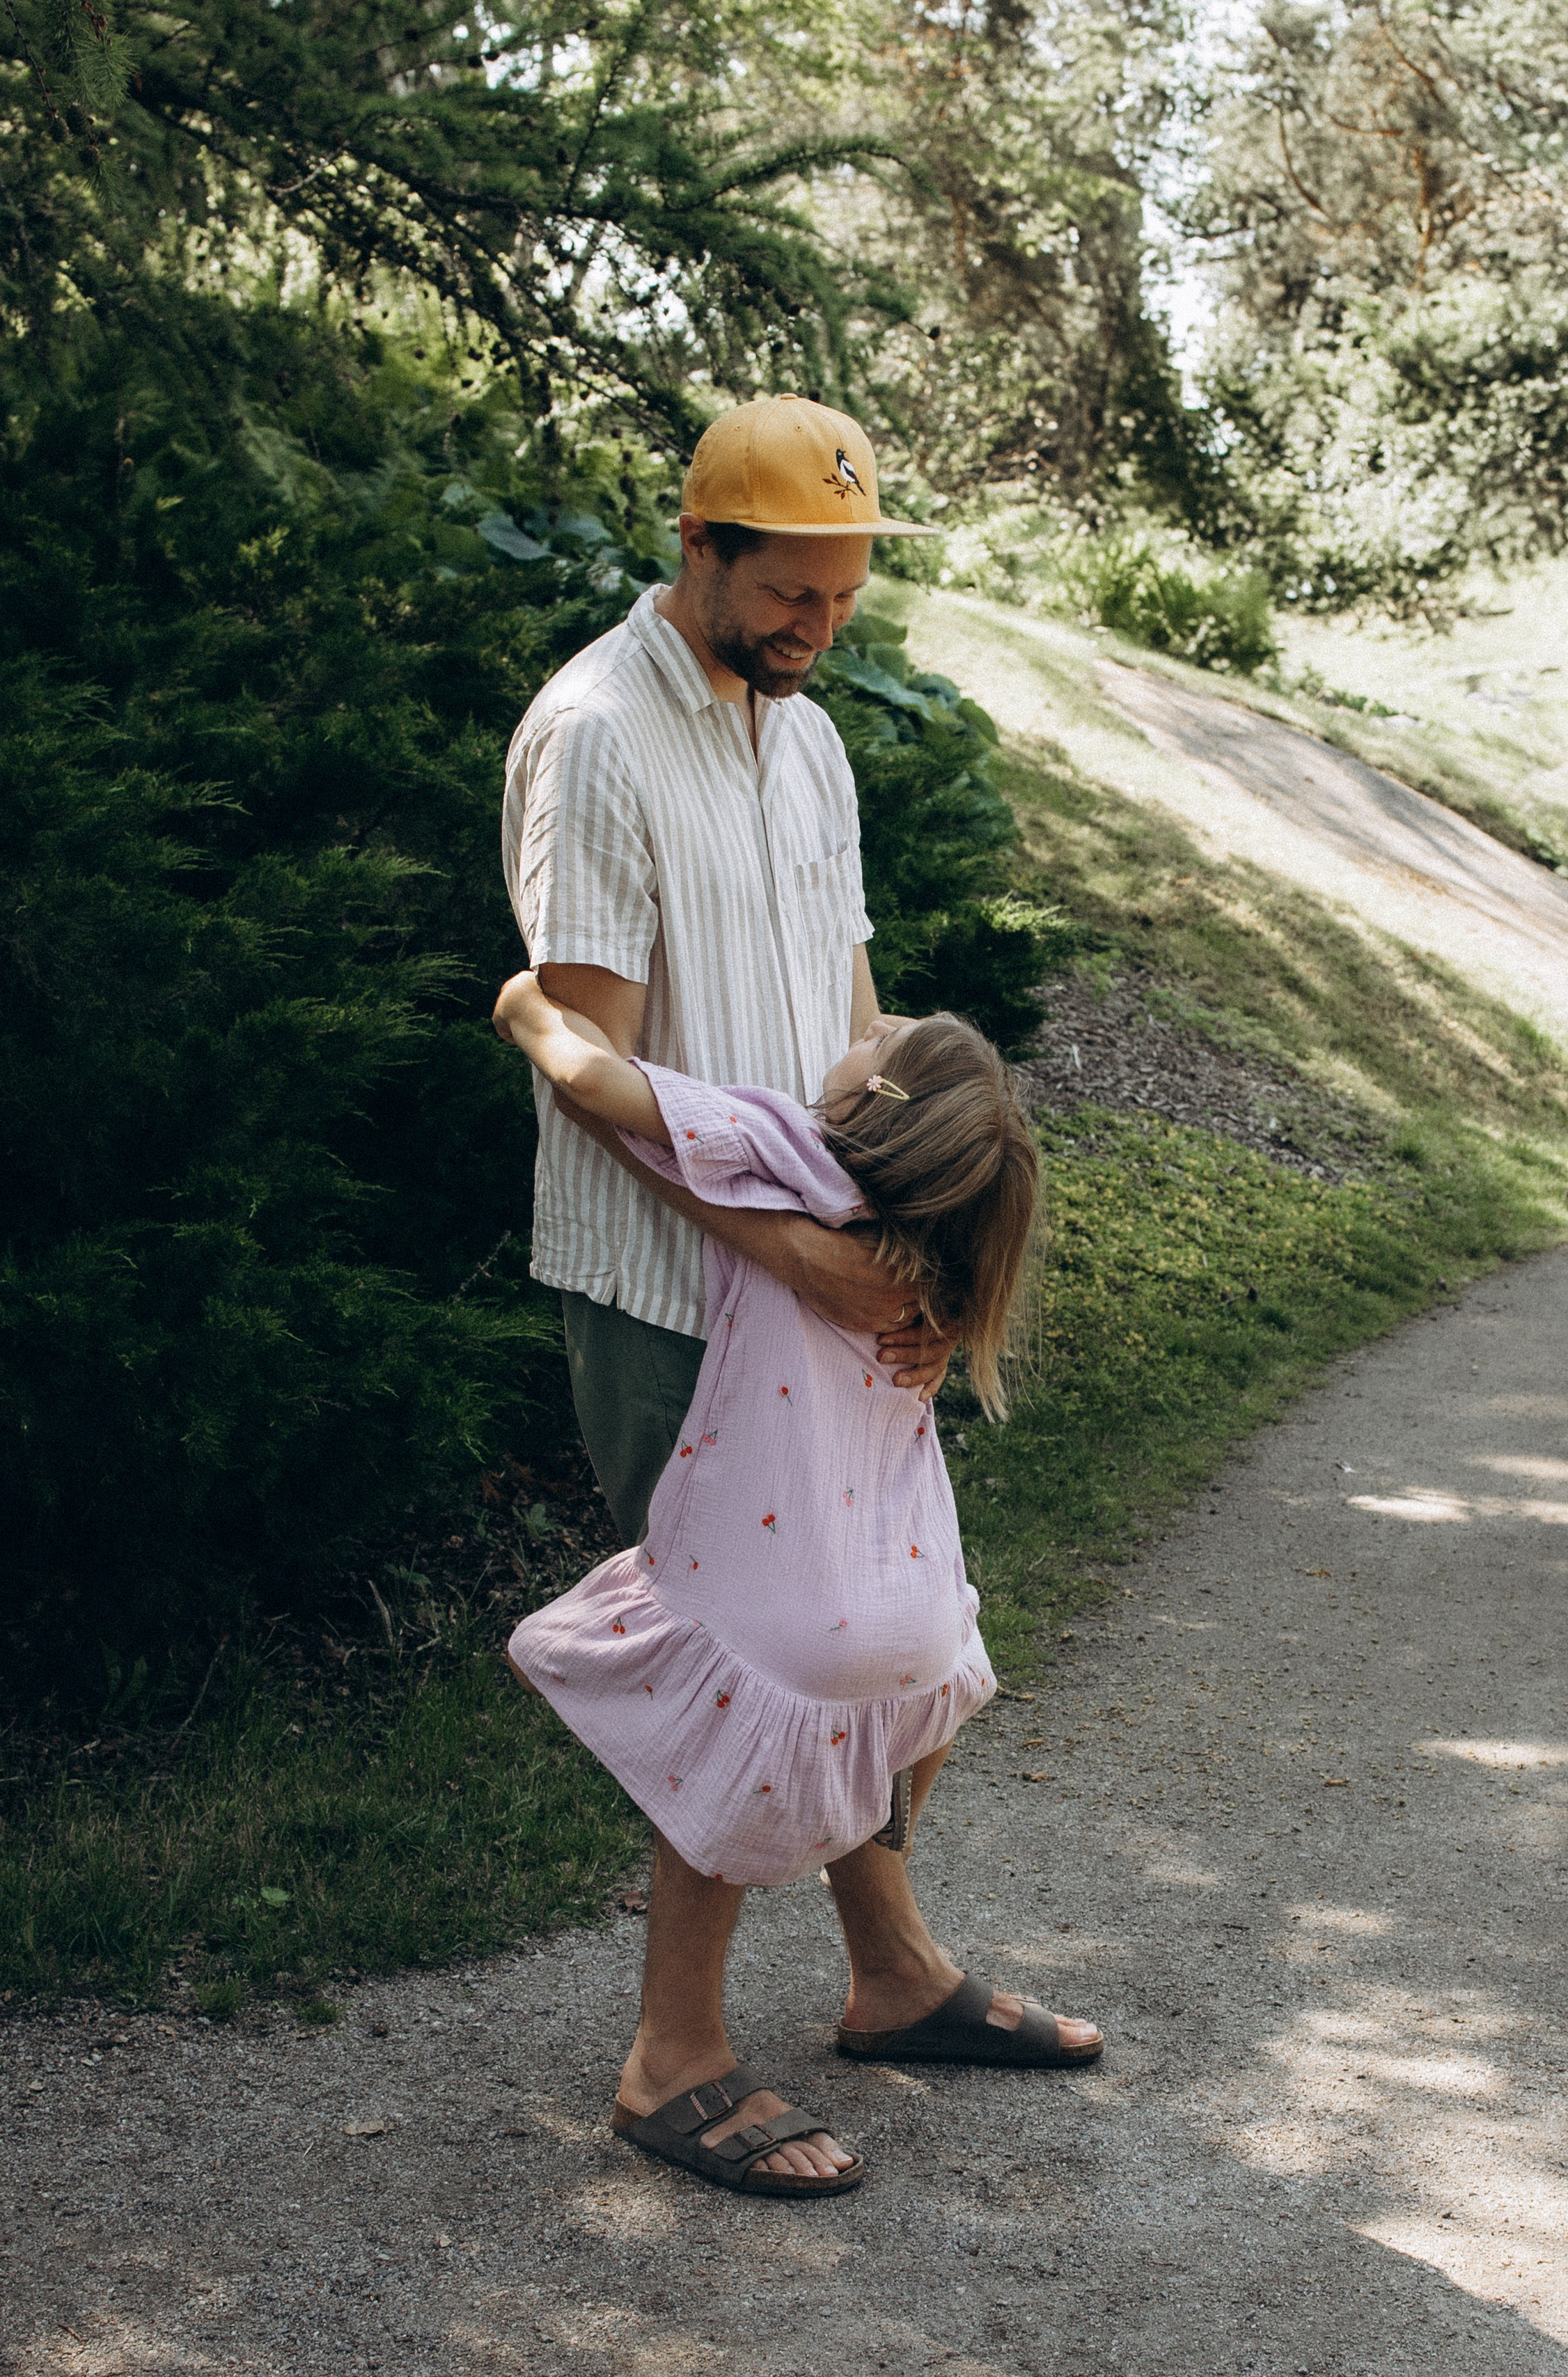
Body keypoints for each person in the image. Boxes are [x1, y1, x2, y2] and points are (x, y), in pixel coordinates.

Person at [499, 393, 1101, 2199]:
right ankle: (672, 2053)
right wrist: (798, 1258)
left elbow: (854, 1029)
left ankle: (890, 1967)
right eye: (792, 593)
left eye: (844, 597)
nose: (819, 627)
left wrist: (901, 1250)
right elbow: (585, 1061)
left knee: (874, 1623)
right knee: (757, 1643)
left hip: (827, 1262)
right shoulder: (597, 736)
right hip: (671, 1282)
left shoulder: (811, 743)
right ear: (703, 548)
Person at [496, 977, 1101, 2195]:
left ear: (869, 1101)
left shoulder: (788, 1140)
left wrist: (527, 1009)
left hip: (776, 1606)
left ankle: (671, 2058)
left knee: (728, 1735)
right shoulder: (945, 1231)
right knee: (902, 1694)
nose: (857, 1020)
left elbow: (593, 1080)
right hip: (914, 1610)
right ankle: (890, 1970)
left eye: (876, 1036)